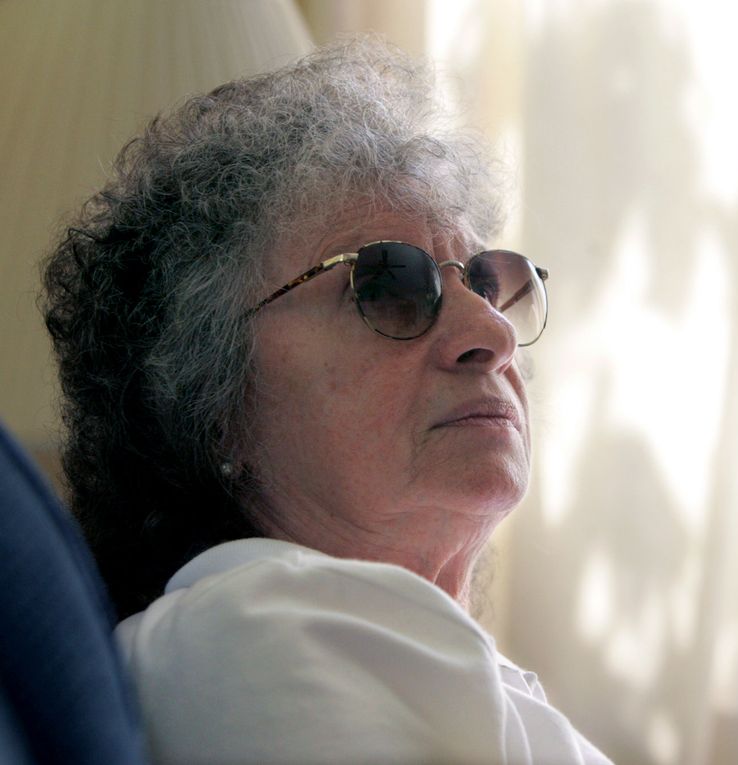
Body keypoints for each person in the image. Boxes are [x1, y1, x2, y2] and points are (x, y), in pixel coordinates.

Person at [41, 39, 610, 765]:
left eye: (485, 284)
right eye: (389, 286)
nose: (492, 331)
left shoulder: (372, 641)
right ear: (212, 406)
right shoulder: (253, 626)